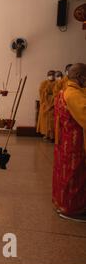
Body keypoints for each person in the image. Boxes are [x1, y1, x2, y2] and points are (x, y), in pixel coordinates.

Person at [53, 63, 86, 221]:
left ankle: (63, 204)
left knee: (66, 176)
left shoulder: (65, 90)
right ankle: (72, 209)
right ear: (81, 77)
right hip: (75, 143)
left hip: (66, 141)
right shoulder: (73, 94)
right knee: (74, 177)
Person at [37, 71, 56, 139]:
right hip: (45, 101)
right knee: (45, 120)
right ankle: (46, 134)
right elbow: (41, 91)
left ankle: (52, 135)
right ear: (47, 75)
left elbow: (57, 91)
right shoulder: (44, 82)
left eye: (52, 75)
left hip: (53, 101)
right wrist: (45, 91)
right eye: (50, 75)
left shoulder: (57, 83)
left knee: (52, 120)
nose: (51, 76)